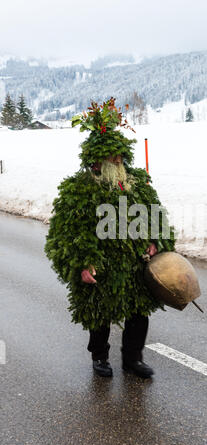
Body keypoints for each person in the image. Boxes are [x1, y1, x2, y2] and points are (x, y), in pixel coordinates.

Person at [45, 98, 175, 379]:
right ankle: (100, 356)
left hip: (136, 264)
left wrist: (156, 242)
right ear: (95, 160)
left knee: (139, 313)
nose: (116, 162)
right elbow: (67, 233)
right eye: (110, 158)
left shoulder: (137, 183)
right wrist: (81, 263)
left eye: (119, 156)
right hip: (100, 265)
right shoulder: (78, 190)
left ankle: (133, 359)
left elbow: (157, 217)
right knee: (99, 314)